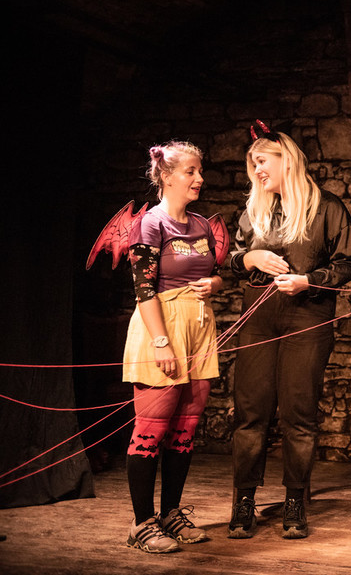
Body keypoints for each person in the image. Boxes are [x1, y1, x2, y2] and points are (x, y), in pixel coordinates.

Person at [227, 123, 351, 540]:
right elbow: (232, 259)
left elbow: (348, 264)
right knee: (251, 412)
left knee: (299, 414)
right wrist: (250, 259)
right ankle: (243, 500)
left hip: (307, 318)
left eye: (262, 161)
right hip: (259, 318)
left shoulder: (328, 208)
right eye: (253, 163)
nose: (257, 170)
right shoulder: (254, 210)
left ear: (287, 160)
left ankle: (295, 501)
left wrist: (310, 280)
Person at [121, 141, 223, 553]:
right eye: (190, 172)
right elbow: (143, 289)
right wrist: (161, 342)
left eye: (200, 171)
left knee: (184, 429)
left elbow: (215, 273)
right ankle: (142, 523)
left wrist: (214, 284)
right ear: (165, 176)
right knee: (151, 430)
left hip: (198, 327)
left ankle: (171, 514)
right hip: (161, 327)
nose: (199, 178)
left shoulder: (201, 225)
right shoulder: (150, 224)